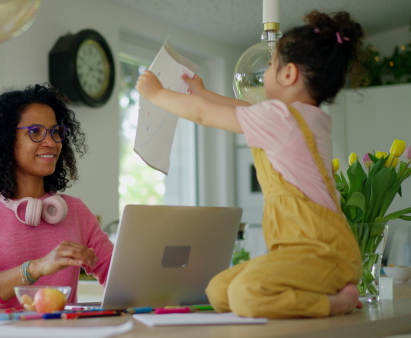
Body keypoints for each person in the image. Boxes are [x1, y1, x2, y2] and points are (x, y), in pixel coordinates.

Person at [136, 11, 365, 318]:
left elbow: (204, 115)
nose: (266, 71)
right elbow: (244, 108)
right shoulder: (303, 118)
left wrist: (158, 94)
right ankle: (323, 292)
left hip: (323, 252)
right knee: (218, 292)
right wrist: (203, 92)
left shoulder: (281, 119)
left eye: (270, 65)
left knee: (245, 296)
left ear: (288, 74)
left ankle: (334, 303)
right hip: (300, 252)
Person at [0, 84, 113, 312]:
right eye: (35, 132)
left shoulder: (74, 211)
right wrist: (36, 268)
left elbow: (119, 276)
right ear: (5, 140)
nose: (52, 142)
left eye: (55, 132)